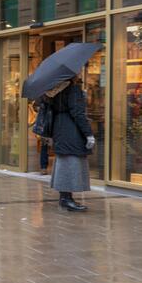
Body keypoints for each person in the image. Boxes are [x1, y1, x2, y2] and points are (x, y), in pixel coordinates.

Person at [48, 76, 95, 212]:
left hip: (59, 129)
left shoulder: (54, 90)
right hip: (71, 130)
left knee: (64, 162)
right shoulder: (73, 90)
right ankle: (66, 199)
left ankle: (65, 197)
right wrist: (88, 134)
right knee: (71, 163)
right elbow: (78, 113)